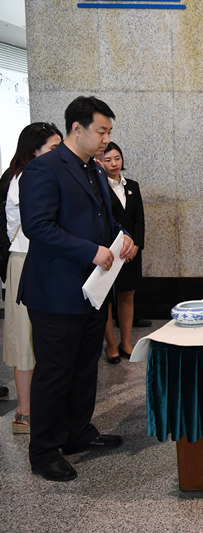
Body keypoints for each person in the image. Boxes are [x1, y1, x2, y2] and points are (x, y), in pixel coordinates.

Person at [19, 96, 135, 481]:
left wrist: (123, 239)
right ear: (77, 128)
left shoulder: (95, 171)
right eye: (101, 131)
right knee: (55, 370)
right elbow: (38, 227)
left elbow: (104, 220)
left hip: (92, 289)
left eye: (109, 132)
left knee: (85, 365)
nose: (106, 139)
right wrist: (91, 251)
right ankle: (44, 451)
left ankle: (77, 433)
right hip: (56, 289)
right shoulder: (44, 169)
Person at [1, 122, 63, 434]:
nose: (59, 153)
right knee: (23, 336)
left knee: (45, 337)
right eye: (53, 148)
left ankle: (43, 407)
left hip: (45, 258)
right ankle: (24, 413)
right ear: (34, 150)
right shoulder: (23, 178)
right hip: (26, 259)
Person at [98, 142, 145, 363]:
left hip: (131, 252)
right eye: (107, 160)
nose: (114, 163)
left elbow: (139, 220)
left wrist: (135, 245)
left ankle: (126, 342)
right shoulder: (98, 187)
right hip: (108, 252)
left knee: (128, 296)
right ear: (99, 162)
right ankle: (111, 345)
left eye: (117, 158)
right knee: (107, 299)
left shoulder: (133, 186)